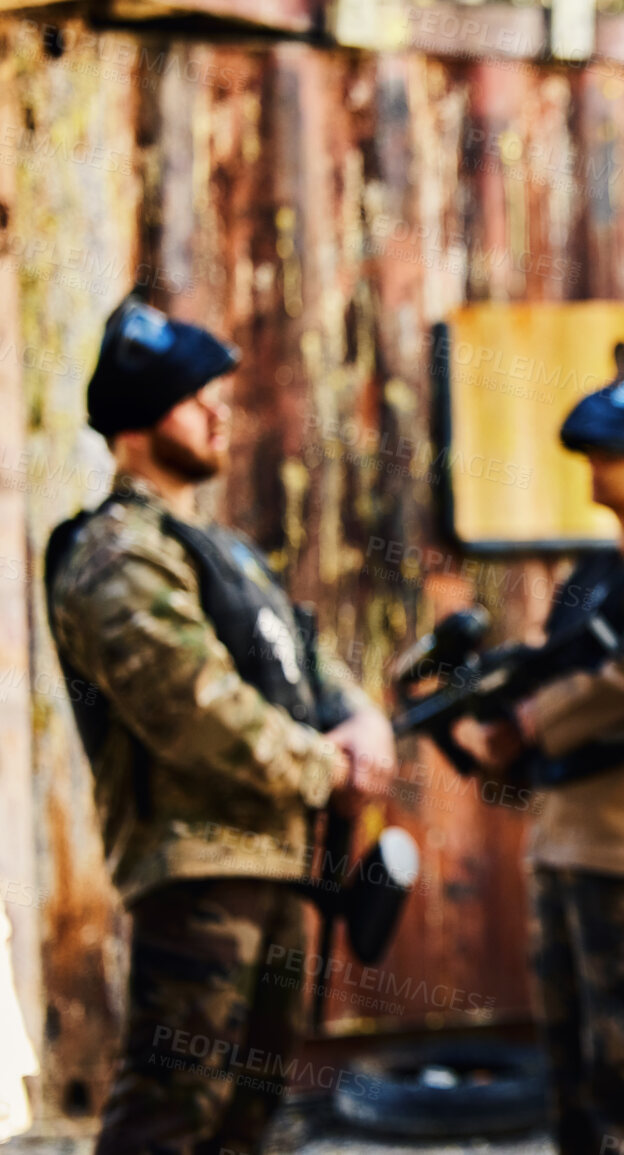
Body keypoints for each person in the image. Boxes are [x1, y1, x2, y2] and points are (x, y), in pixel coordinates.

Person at [45, 296, 396, 1155]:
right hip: (197, 873)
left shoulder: (224, 553)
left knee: (248, 1116)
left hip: (275, 864)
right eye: (188, 395)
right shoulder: (115, 552)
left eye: (216, 393)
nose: (216, 410)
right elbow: (195, 707)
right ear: (136, 420)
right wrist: (325, 768)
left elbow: (304, 660)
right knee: (170, 1113)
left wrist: (360, 721)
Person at [453, 343, 624, 1155]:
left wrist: (534, 719)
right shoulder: (602, 571)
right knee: (574, 1091)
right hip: (568, 845)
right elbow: (545, 665)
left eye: (610, 451)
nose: (594, 467)